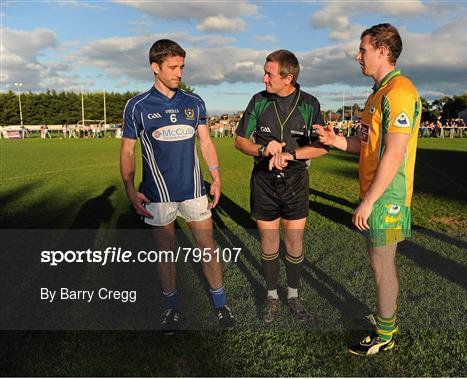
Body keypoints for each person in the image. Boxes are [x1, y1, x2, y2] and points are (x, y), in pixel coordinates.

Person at [315, 23, 421, 355]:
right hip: (376, 191)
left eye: (362, 49)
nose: (357, 55)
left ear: (383, 51)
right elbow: (367, 146)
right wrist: (335, 140)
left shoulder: (400, 92)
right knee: (378, 260)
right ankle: (386, 322)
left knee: (381, 261)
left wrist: (369, 201)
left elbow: (394, 153)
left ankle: (385, 333)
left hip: (387, 195)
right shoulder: (377, 93)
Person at [120, 39, 235, 333]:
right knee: (165, 251)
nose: (179, 72)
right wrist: (130, 189)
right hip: (158, 196)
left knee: (207, 247)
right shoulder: (137, 106)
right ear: (155, 68)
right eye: (173, 67)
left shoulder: (194, 102)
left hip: (195, 191)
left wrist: (217, 175)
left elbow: (206, 142)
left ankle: (221, 305)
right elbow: (127, 151)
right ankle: (172, 308)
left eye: (182, 66)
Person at [235, 49, 328, 324]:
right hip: (263, 181)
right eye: (265, 72)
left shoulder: (310, 104)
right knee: (269, 241)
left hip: (296, 182)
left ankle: (294, 294)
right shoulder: (258, 101)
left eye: (269, 73)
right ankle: (272, 295)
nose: (264, 78)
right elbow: (240, 142)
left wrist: (292, 155)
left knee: (294, 241)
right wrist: (263, 148)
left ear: (288, 78)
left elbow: (322, 148)